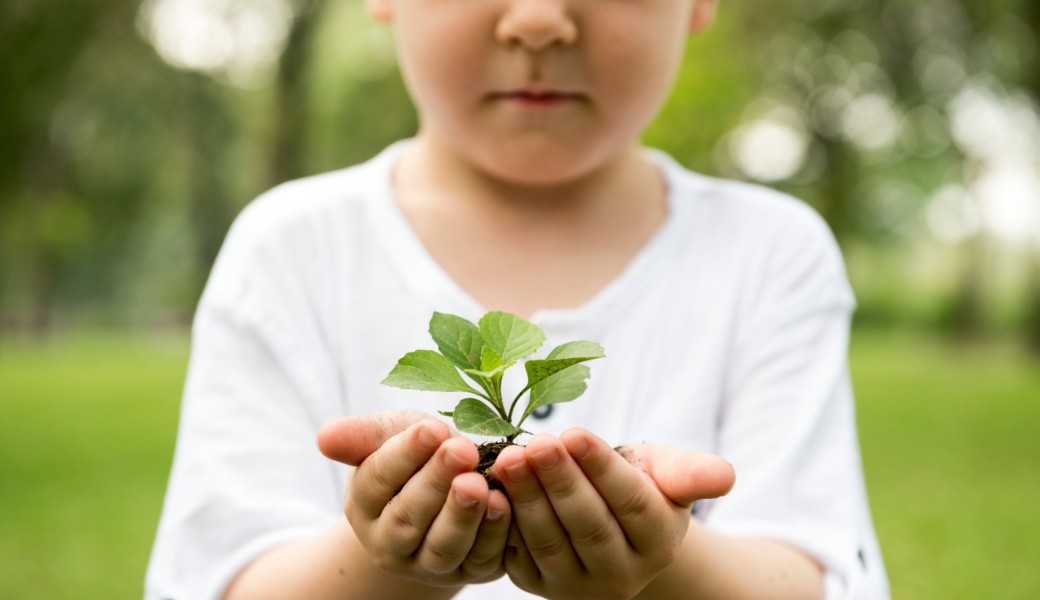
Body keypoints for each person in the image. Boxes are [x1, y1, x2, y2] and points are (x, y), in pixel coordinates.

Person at [146, 0, 890, 598]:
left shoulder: (772, 254)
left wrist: (666, 562)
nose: (538, 19)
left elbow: (808, 575)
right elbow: (226, 577)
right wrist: (387, 560)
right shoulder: (287, 252)